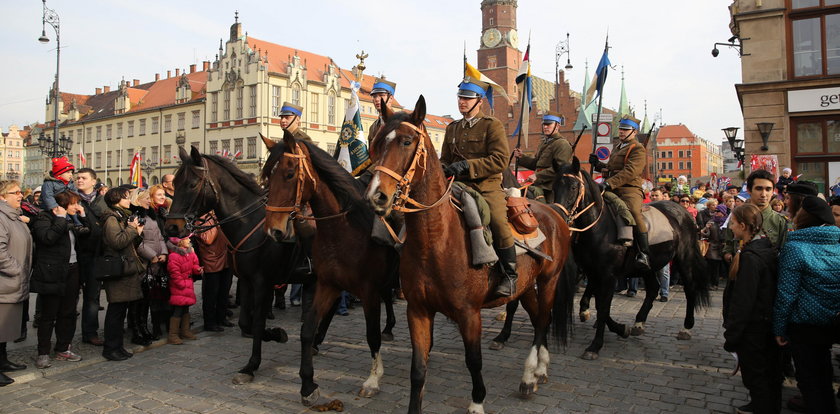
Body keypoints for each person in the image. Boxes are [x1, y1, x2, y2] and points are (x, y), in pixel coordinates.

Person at [440, 76, 515, 296]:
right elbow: (445, 158)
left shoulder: (492, 125)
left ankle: (510, 274)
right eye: (460, 97)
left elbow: (501, 160)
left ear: (479, 101)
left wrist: (466, 165)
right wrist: (441, 168)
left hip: (486, 186)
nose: (462, 102)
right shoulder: (452, 128)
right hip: (457, 185)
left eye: (467, 98)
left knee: (499, 221)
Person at [773, 196, 840, 414]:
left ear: (804, 217)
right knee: (824, 369)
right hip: (832, 320)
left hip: (805, 323)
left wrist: (779, 328)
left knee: (809, 375)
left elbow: (787, 294)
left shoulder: (796, 247)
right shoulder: (837, 242)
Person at [722, 203, 782, 414]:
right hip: (761, 323)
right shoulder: (761, 248)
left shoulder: (751, 258)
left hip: (754, 327)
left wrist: (733, 333)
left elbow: (744, 300)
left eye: (733, 222)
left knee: (756, 375)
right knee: (764, 375)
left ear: (744, 225)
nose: (730, 226)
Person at [30, 190, 89, 369]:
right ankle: (43, 352)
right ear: (62, 205)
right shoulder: (44, 218)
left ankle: (63, 348)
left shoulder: (73, 220)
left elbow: (89, 236)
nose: (77, 207)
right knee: (48, 315)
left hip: (72, 270)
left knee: (68, 313)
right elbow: (48, 238)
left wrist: (84, 217)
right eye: (73, 204)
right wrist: (61, 219)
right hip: (52, 273)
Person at [590, 117, 651, 270]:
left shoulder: (637, 148)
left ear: (634, 131)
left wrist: (609, 183)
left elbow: (630, 172)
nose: (622, 132)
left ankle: (644, 253)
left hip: (629, 189)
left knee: (633, 212)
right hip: (613, 187)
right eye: (621, 129)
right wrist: (598, 164)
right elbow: (612, 168)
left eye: (625, 129)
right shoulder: (618, 146)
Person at [100, 186, 146, 361]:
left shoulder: (122, 216)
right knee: (116, 311)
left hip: (126, 268)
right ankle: (111, 348)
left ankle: (117, 346)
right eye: (127, 198)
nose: (129, 201)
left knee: (121, 311)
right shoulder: (111, 218)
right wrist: (132, 229)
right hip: (117, 269)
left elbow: (130, 243)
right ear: (117, 200)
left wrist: (137, 233)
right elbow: (117, 242)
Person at [0, 180, 33, 386]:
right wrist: (17, 270)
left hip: (14, 281)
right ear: (2, 197)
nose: (21, 195)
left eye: (21, 192)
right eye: (15, 192)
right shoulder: (2, 217)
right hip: (5, 281)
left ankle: (2, 361)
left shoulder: (14, 216)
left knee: (4, 329)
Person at [724, 170, 790, 265]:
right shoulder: (737, 216)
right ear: (749, 190)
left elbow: (783, 251)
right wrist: (728, 254)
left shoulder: (780, 221)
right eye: (759, 189)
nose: (763, 194)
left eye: (768, 189)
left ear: (773, 191)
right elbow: (729, 242)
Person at [131, 188, 168, 344]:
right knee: (138, 300)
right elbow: (137, 242)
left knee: (148, 298)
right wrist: (152, 255)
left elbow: (159, 238)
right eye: (146, 198)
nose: (148, 200)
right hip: (143, 262)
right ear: (138, 199)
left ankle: (144, 327)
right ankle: (137, 330)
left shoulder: (150, 216)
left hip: (156, 263)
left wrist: (164, 253)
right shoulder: (135, 216)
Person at [75, 168, 106, 345]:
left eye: (84, 178)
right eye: (78, 178)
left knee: (92, 297)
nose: (79, 180)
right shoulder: (72, 199)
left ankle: (90, 332)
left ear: (93, 181)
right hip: (77, 253)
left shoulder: (102, 201)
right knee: (71, 298)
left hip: (96, 253)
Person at [513, 111, 573, 203]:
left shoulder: (562, 144)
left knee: (536, 198)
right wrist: (522, 157)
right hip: (539, 183)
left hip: (550, 187)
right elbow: (537, 164)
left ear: (557, 126)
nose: (545, 127)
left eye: (549, 124)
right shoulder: (544, 143)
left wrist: (537, 175)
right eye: (544, 124)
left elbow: (560, 168)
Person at [195, 212, 234, 332]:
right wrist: (216, 222)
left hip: (225, 258)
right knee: (211, 295)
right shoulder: (202, 219)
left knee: (224, 292)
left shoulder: (219, 216)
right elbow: (208, 239)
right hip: (212, 261)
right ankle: (210, 322)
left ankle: (221, 318)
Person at [166, 236, 202, 345]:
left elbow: (194, 265)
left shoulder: (190, 253)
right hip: (180, 286)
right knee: (178, 309)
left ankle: (185, 331)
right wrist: (183, 284)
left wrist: (197, 269)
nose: (190, 241)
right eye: (187, 239)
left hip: (187, 285)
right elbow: (174, 273)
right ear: (181, 242)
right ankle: (173, 335)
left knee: (185, 308)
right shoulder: (174, 256)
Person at [40, 157, 82, 226]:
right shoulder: (49, 183)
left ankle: (78, 224)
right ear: (59, 174)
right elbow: (48, 197)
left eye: (71, 172)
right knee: (65, 216)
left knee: (74, 214)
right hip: (51, 207)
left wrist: (77, 203)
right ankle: (68, 223)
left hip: (65, 205)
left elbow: (75, 193)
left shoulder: (70, 183)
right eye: (68, 172)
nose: (71, 174)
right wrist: (54, 207)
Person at [701, 204, 728, 290]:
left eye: (718, 211)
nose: (716, 213)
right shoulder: (711, 222)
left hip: (722, 247)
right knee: (710, 266)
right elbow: (705, 234)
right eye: (715, 211)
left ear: (723, 213)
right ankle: (709, 284)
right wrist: (706, 228)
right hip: (712, 247)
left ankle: (715, 284)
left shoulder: (727, 222)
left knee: (717, 268)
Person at [368, 77, 397, 144]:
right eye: (374, 96)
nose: (377, 99)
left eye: (381, 95)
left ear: (391, 98)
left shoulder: (399, 123)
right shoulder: (373, 127)